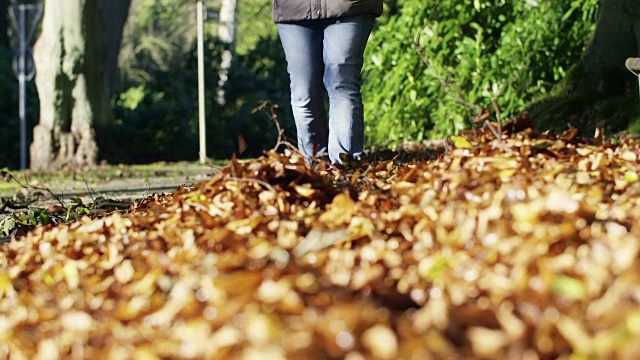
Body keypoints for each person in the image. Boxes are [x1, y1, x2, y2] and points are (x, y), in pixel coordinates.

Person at [272, 0, 383, 165]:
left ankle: (345, 166)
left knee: (342, 81)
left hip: (349, 6)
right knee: (304, 91)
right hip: (293, 8)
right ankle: (315, 167)